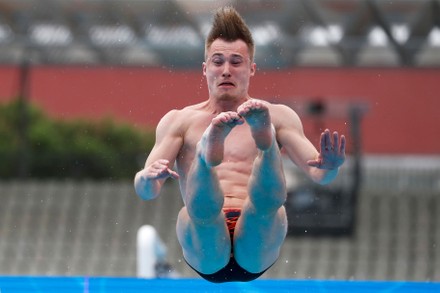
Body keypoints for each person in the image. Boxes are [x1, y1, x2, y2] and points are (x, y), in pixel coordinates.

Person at [134, 6, 346, 283]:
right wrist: (147, 177)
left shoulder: (279, 115)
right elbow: (146, 191)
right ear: (205, 68)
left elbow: (320, 174)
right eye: (218, 61)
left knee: (266, 206)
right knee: (202, 213)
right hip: (206, 240)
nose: (226, 70)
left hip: (257, 235)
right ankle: (206, 155)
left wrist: (331, 166)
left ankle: (265, 143)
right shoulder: (179, 121)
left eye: (236, 62)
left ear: (251, 68)